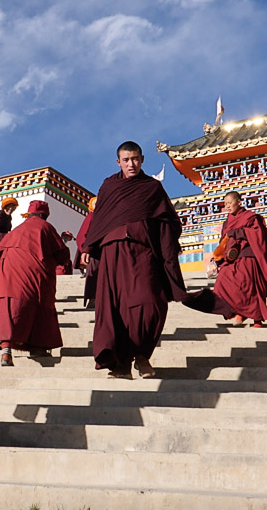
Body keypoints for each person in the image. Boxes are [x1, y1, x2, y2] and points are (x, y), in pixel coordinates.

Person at [81, 141, 186, 379]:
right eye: (126, 160)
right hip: (112, 252)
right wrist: (89, 245)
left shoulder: (152, 187)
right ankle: (121, 364)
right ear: (118, 162)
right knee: (114, 307)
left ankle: (142, 354)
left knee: (151, 303)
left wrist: (168, 245)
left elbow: (168, 219)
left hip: (142, 252)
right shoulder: (109, 186)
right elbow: (101, 218)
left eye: (136, 159)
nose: (131, 164)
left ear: (142, 160)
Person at [0, 200, 71, 366]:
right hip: (32, 274)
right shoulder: (45, 227)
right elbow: (62, 256)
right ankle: (38, 347)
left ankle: (6, 351)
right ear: (45, 215)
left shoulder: (16, 229)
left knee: (10, 308)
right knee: (39, 302)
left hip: (7, 275)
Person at [212, 191, 267, 327]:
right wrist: (218, 257)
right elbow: (224, 241)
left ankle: (257, 318)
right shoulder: (227, 222)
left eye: (230, 203)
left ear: (239, 202)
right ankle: (238, 311)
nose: (227, 206)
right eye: (225, 204)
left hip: (248, 254)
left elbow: (258, 235)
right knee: (223, 280)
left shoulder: (250, 217)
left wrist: (238, 233)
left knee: (250, 286)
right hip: (232, 257)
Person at [75, 197, 97, 307]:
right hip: (94, 253)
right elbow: (82, 236)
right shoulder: (92, 216)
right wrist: (85, 249)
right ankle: (93, 299)